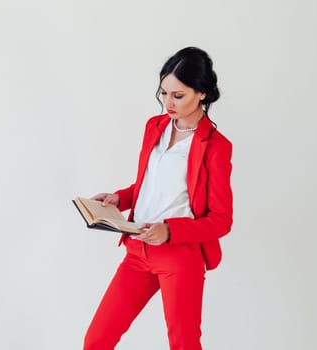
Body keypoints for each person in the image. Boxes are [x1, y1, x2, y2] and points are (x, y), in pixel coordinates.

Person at [83, 47, 233, 350]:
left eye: (178, 95)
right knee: (97, 340)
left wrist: (170, 230)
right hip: (137, 250)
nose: (168, 103)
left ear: (202, 93)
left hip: (179, 256)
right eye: (163, 93)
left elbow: (221, 221)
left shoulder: (216, 147)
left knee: (184, 344)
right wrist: (119, 198)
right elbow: (150, 184)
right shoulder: (155, 126)